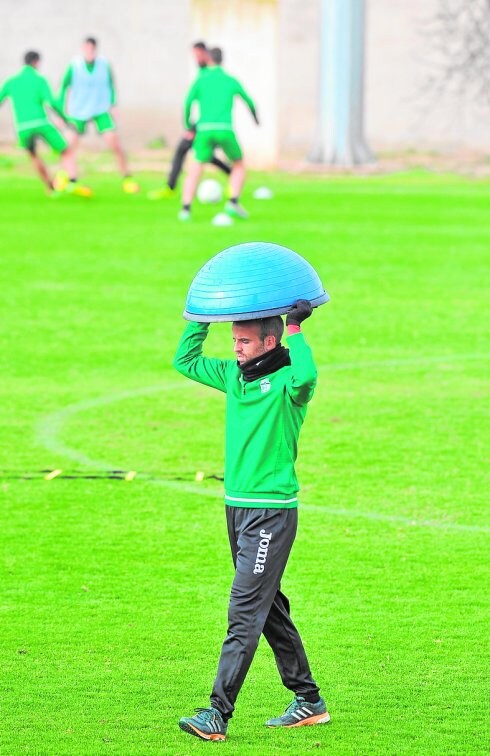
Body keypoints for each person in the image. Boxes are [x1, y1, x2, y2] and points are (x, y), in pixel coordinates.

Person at [174, 300, 329, 742]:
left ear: (270, 341)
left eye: (244, 342)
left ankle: (217, 713)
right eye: (234, 341)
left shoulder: (287, 384)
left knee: (244, 611)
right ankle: (309, 701)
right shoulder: (232, 378)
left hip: (271, 515)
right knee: (269, 608)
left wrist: (296, 327)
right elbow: (183, 361)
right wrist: (201, 315)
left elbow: (307, 376)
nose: (237, 349)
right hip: (236, 508)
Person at [178, 46, 259, 221]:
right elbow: (249, 101)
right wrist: (255, 118)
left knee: (195, 168)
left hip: (204, 129)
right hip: (225, 129)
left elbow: (187, 103)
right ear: (222, 60)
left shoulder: (201, 79)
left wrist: (187, 126)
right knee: (238, 163)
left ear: (208, 59)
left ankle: (186, 209)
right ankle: (233, 201)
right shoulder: (230, 80)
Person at [148, 42, 231, 201]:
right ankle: (231, 173)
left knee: (198, 154)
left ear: (205, 54)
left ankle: (175, 190)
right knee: (197, 154)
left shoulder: (209, 73)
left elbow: (191, 101)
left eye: (198, 54)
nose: (195, 57)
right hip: (201, 122)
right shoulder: (203, 71)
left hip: (207, 123)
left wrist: (189, 126)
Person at [0, 51, 91, 196]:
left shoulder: (11, 82)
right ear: (36, 62)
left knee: (34, 156)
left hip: (22, 127)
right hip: (40, 122)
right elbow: (52, 103)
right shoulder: (39, 80)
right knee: (65, 150)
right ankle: (71, 182)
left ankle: (51, 188)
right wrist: (67, 120)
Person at [58, 37, 139, 194]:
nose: (89, 52)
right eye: (87, 49)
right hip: (79, 111)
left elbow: (111, 85)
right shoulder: (74, 66)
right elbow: (62, 88)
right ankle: (65, 177)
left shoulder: (104, 64)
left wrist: (114, 105)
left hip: (100, 109)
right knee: (68, 145)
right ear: (83, 49)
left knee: (115, 144)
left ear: (95, 49)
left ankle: (127, 179)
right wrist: (61, 113)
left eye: (92, 49)